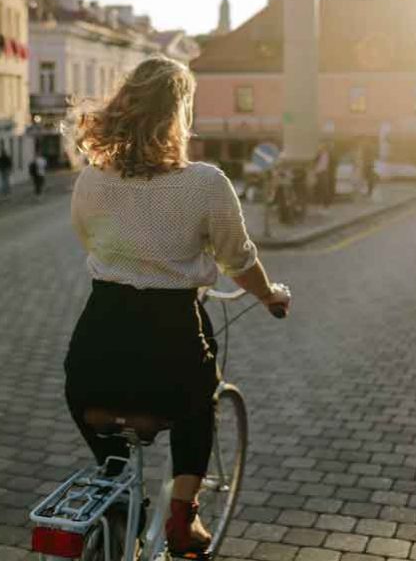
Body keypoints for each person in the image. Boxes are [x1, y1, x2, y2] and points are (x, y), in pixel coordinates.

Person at [65, 56, 291, 556]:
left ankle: (117, 489)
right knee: (197, 406)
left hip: (95, 348)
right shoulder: (205, 183)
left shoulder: (92, 180)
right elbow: (238, 259)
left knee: (90, 408)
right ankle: (182, 522)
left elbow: (90, 242)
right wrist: (269, 295)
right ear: (179, 113)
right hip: (171, 341)